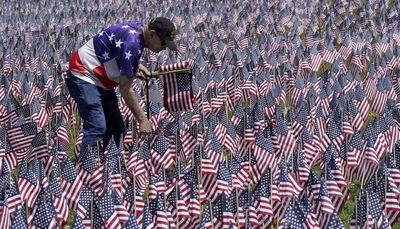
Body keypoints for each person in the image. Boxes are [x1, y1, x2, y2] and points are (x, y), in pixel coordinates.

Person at [65, 17, 177, 149]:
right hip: (83, 74)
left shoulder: (137, 29)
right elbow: (125, 89)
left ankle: (110, 166)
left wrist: (136, 65)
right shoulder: (134, 44)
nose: (164, 48)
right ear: (152, 34)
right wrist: (142, 120)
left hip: (100, 80)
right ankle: (87, 167)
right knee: (97, 127)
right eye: (163, 43)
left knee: (116, 129)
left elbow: (121, 49)